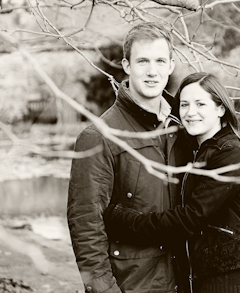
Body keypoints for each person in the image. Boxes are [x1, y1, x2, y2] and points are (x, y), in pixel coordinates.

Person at [104, 72, 240, 293]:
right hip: (204, 278)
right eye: (184, 105)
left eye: (200, 104)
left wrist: (124, 220)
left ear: (220, 109)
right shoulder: (197, 151)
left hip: (234, 279)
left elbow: (190, 218)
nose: (191, 113)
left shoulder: (231, 154)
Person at [67, 22, 181, 293]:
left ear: (171, 66)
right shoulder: (99, 137)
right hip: (133, 285)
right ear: (127, 66)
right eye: (142, 61)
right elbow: (86, 226)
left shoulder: (183, 127)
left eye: (159, 61)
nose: (152, 71)